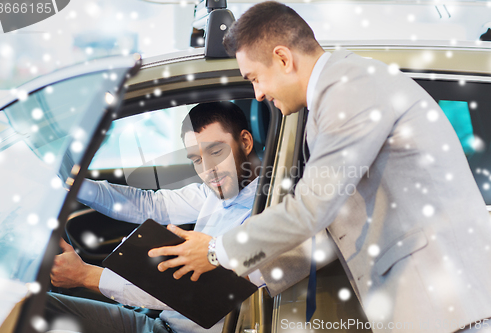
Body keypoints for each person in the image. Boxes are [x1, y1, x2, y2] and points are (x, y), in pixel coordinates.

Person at [149, 2, 491, 333]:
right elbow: (330, 228)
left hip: (450, 306)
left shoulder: (349, 89)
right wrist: (249, 272)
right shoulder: (326, 108)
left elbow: (312, 209)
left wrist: (214, 250)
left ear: (283, 58)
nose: (257, 94)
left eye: (255, 78)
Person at [46, 102, 267, 333]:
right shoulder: (218, 192)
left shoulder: (265, 215)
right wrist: (75, 186)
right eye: (197, 159)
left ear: (245, 142)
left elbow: (198, 295)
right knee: (37, 305)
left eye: (216, 152)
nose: (208, 169)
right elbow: (151, 205)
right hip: (161, 323)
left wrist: (86, 276)